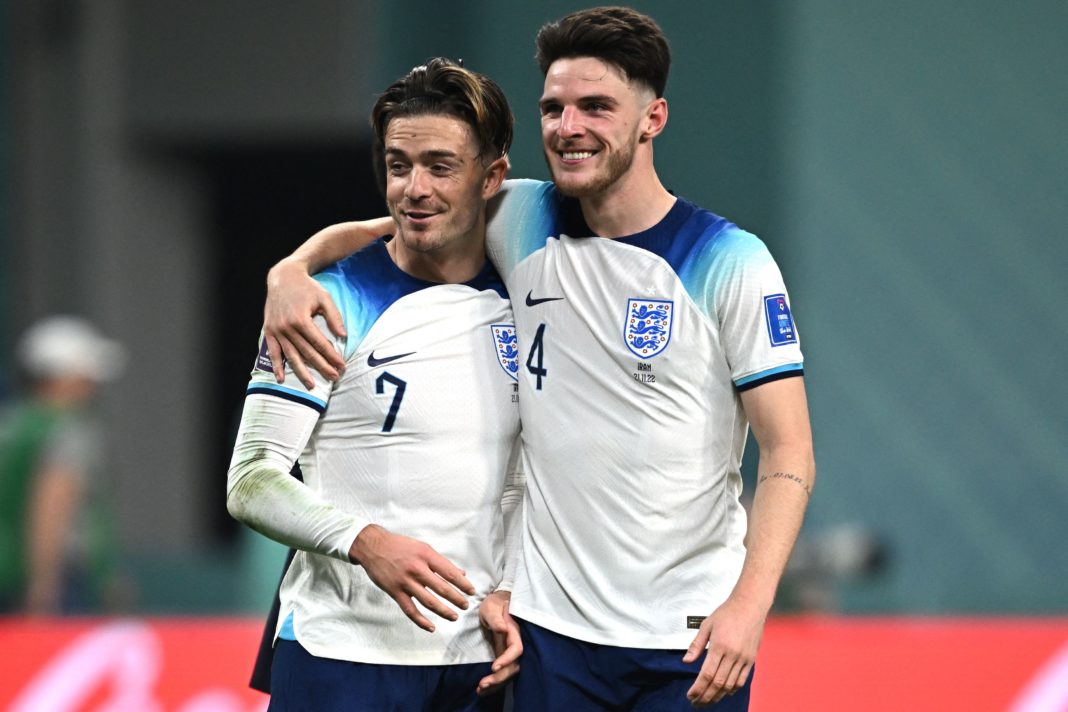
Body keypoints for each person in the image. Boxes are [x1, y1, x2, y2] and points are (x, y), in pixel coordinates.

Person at [262, 7, 816, 710]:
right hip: (549, 637)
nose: (567, 126)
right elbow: (410, 218)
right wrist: (293, 268)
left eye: (596, 107)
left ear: (653, 119)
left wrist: (750, 605)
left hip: (690, 636)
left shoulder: (731, 261)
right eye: (553, 108)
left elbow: (789, 452)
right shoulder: (521, 216)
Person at [226, 58, 524, 711]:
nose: (414, 188)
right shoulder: (324, 305)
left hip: (484, 662)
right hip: (344, 657)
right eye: (397, 165)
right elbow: (251, 481)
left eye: (440, 167)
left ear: (492, 177)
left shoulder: (533, 296)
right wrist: (367, 543)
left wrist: (522, 590)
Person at [0, 315, 126, 614]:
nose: (92, 385)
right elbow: (52, 504)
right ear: (59, 377)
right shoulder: (69, 431)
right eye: (84, 376)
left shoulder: (12, 425)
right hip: (59, 580)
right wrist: (44, 584)